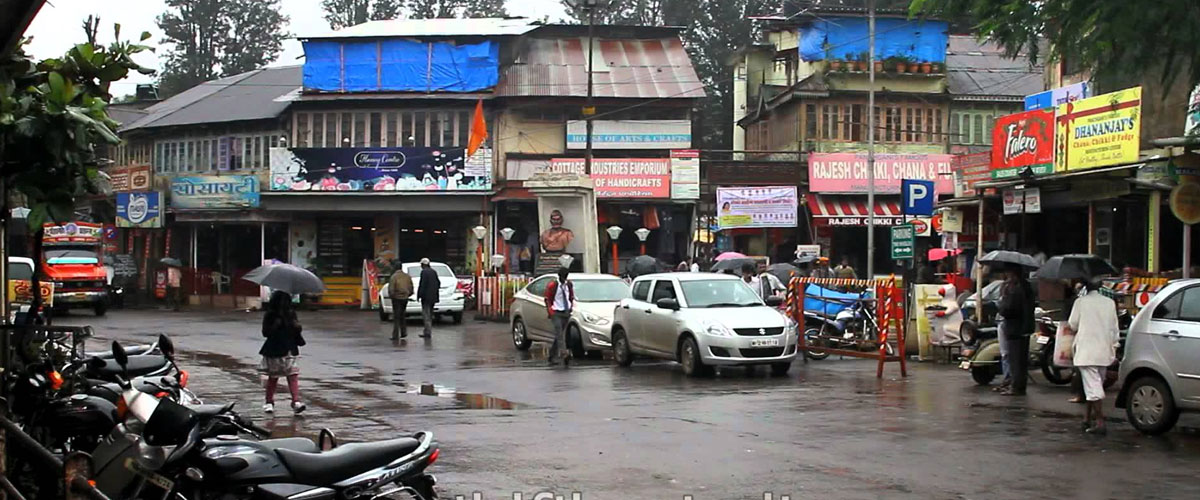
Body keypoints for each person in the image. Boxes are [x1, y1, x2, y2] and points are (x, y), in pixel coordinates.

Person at [1066, 279, 1120, 434]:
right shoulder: (1109, 303)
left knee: (1093, 387)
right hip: (1104, 350)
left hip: (1086, 350)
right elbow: (1114, 328)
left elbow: (1073, 324)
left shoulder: (1080, 302)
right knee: (1094, 385)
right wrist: (1114, 347)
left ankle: (1100, 421)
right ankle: (1086, 418)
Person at [259, 290, 306, 415]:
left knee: (292, 376)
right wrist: (275, 324)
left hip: (289, 348)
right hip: (274, 349)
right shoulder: (270, 315)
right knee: (273, 377)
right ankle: (269, 401)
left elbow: (296, 332)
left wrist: (297, 327)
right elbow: (265, 333)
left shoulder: (291, 314)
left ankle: (296, 401)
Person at [997, 264, 1035, 396]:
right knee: (1021, 360)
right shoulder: (1026, 287)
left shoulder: (1015, 290)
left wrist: (1002, 303)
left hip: (1015, 328)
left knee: (1015, 360)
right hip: (1024, 327)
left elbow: (1008, 309)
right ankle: (1018, 385)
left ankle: (1016, 386)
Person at [543, 267, 576, 366]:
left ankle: (551, 356)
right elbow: (547, 299)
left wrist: (570, 307)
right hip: (556, 312)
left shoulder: (568, 285)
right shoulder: (553, 285)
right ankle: (564, 353)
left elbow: (571, 296)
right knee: (559, 333)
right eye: (562, 277)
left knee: (560, 335)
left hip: (565, 312)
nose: (564, 279)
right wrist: (550, 311)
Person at [388, 265, 415, 340]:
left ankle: (395, 335)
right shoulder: (407, 276)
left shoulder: (394, 277)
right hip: (405, 298)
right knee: (402, 315)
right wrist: (408, 294)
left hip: (396, 298)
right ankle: (404, 332)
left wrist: (392, 296)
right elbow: (411, 287)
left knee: (396, 316)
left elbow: (391, 288)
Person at [416, 258, 440, 338]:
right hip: (433, 297)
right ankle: (427, 331)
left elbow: (422, 285)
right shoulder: (434, 272)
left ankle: (427, 332)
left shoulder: (424, 272)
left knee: (426, 315)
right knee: (430, 314)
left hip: (426, 297)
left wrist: (419, 295)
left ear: (423, 265)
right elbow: (438, 283)